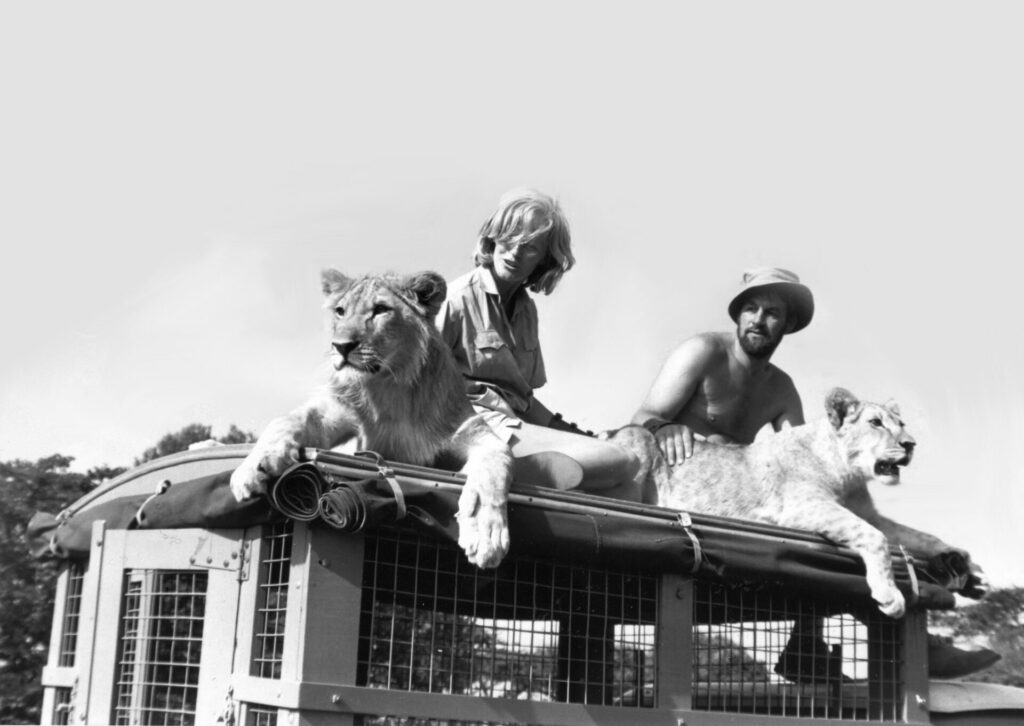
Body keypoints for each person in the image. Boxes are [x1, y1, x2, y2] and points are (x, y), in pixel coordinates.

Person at [632, 267, 999, 681]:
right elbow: (643, 418)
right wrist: (664, 427)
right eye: (750, 308)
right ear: (737, 314)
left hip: (747, 508)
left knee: (829, 530)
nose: (757, 319)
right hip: (687, 492)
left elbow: (807, 478)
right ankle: (909, 646)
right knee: (846, 537)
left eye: (771, 312)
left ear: (787, 325)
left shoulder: (782, 389)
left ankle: (812, 644)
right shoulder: (703, 352)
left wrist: (931, 543)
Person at [437, 188, 640, 498]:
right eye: (509, 237)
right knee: (621, 460)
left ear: (545, 260)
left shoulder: (526, 311)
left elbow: (524, 399)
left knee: (625, 482)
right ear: (493, 237)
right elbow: (414, 384)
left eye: (529, 246)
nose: (515, 251)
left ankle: (525, 479)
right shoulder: (456, 299)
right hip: (470, 430)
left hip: (510, 424)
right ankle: (499, 470)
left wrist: (575, 434)